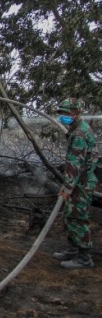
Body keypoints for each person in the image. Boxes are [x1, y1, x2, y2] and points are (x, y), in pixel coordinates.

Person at [52, 98, 98, 269]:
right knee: (69, 216)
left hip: (81, 183)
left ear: (76, 112)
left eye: (65, 113)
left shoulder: (79, 134)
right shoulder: (77, 129)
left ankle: (84, 257)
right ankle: (73, 250)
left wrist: (68, 188)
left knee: (78, 218)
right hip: (78, 182)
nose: (62, 116)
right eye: (61, 113)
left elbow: (75, 165)